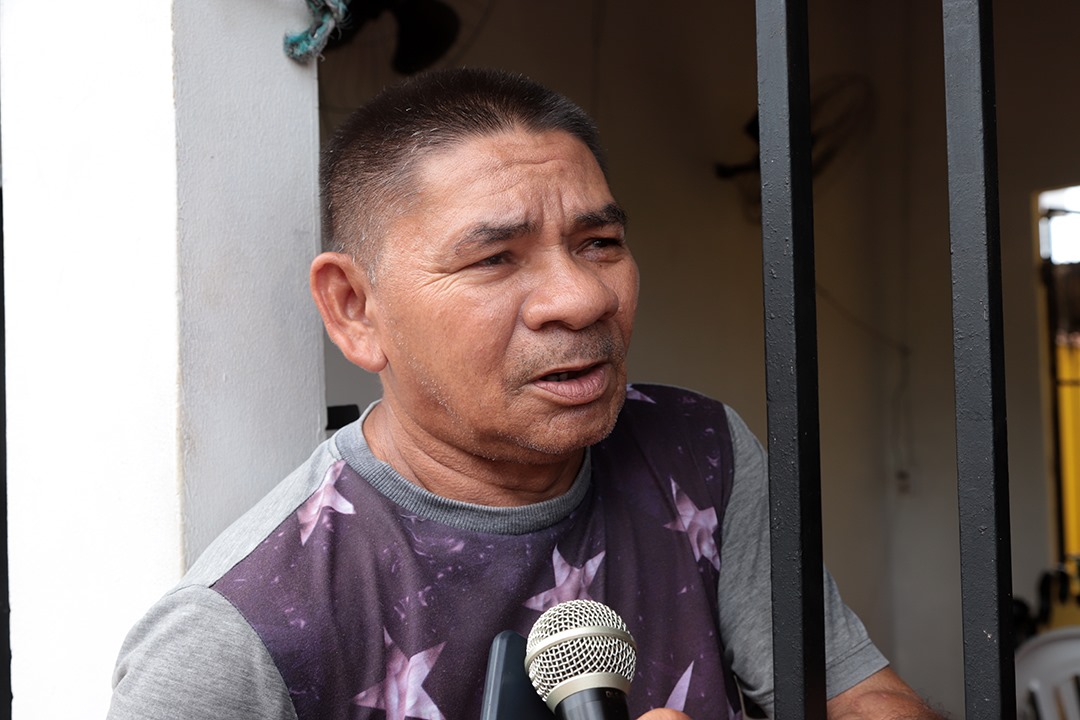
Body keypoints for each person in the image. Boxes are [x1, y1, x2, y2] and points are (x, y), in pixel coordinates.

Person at [108, 68, 940, 720]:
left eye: (599, 241)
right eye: (495, 258)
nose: (580, 299)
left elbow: (859, 695)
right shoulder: (242, 632)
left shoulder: (700, 455)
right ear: (356, 310)